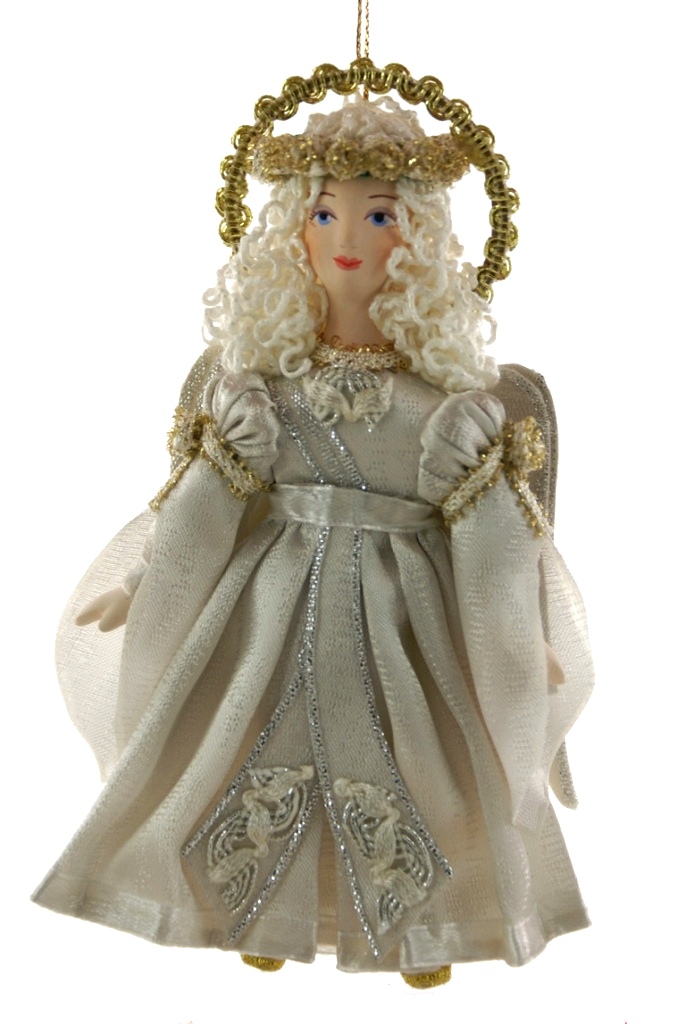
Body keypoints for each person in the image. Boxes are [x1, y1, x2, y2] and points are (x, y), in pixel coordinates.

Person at [32, 97, 593, 988]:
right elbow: (204, 505)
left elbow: (493, 540)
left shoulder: (450, 412)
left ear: (418, 237)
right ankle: (260, 904)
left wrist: (521, 632)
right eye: (325, 214)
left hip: (403, 621)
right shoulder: (259, 394)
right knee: (258, 738)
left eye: (379, 217)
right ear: (292, 231)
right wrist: (146, 579)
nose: (349, 240)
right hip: (270, 608)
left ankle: (424, 928)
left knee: (416, 761)